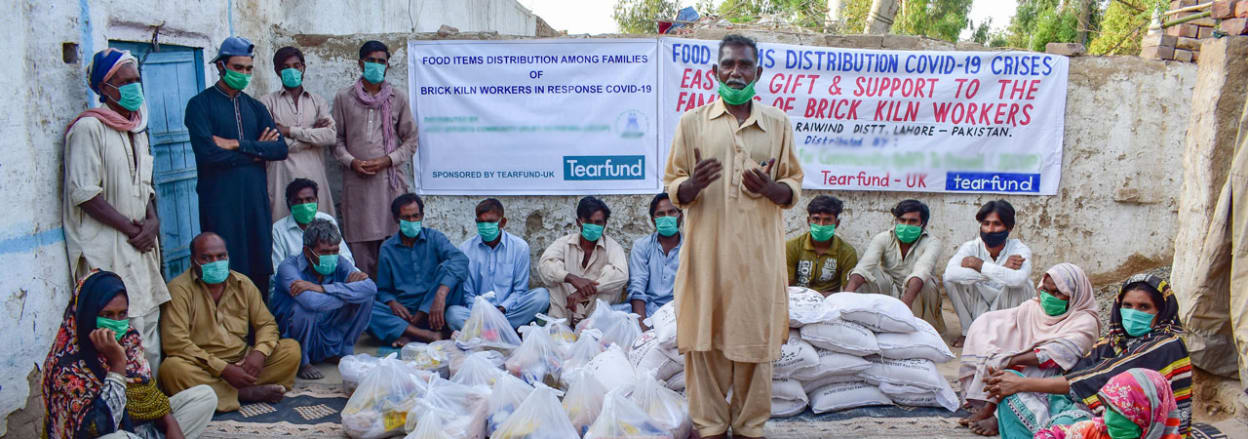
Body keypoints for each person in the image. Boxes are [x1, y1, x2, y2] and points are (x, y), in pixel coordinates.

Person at [662, 34, 804, 439]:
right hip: (706, 256)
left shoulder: (777, 124)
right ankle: (708, 427)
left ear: (758, 73)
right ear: (714, 72)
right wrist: (691, 186)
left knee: (755, 343)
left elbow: (792, 183)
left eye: (744, 66)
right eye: (728, 65)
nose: (736, 73)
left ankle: (748, 428)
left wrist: (769, 189)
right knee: (703, 342)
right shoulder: (691, 123)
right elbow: (674, 186)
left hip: (758, 259)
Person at [63, 48, 169, 372]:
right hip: (108, 248)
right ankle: (126, 413)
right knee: (123, 326)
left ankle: (151, 411)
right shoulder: (88, 129)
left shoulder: (137, 130)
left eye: (136, 80)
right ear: (105, 88)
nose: (134, 87)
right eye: (125, 81)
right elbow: (85, 194)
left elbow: (145, 186)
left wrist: (152, 222)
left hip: (140, 246)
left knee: (149, 324)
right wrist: (131, 228)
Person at [989, 274, 1192, 438]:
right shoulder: (1113, 343)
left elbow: (1095, 379)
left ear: (1161, 311)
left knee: (1063, 422)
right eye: (1127, 306)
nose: (1133, 313)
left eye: (1143, 307)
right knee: (1011, 390)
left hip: (1126, 426)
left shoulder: (1166, 344)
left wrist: (1022, 384)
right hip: (1086, 410)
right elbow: (1077, 372)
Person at [42, 271, 216, 439]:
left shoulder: (129, 339)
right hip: (108, 434)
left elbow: (148, 391)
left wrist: (171, 424)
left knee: (204, 396)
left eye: (122, 314)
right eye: (107, 315)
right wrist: (117, 364)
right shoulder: (65, 365)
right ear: (88, 314)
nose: (117, 323)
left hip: (138, 430)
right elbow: (101, 427)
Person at [185, 36, 288, 297]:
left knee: (259, 266)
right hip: (219, 201)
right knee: (221, 266)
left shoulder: (254, 107)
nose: (243, 74)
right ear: (221, 66)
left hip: (255, 202)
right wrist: (256, 151)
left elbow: (279, 149)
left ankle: (259, 329)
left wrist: (235, 145)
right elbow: (208, 155)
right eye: (237, 68)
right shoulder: (199, 105)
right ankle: (226, 333)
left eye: (248, 69)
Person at [158, 233, 301, 412]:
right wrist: (223, 369)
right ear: (193, 260)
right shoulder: (179, 290)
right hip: (203, 366)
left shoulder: (243, 283)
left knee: (291, 350)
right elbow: (175, 342)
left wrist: (259, 353)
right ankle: (243, 394)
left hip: (243, 363)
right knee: (171, 369)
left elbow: (266, 324)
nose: (215, 262)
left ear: (228, 256)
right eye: (206, 258)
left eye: (220, 256)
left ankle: (223, 392)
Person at [956, 263, 1101, 436]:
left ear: (1074, 295)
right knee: (991, 335)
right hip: (1024, 363)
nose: (1048, 297)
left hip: (1059, 376)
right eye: (1045, 290)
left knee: (1032, 366)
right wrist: (997, 352)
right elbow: (1004, 324)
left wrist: (1011, 360)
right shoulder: (1033, 308)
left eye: (1057, 293)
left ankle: (996, 413)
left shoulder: (1085, 321)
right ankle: (991, 405)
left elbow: (1057, 354)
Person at [332, 40, 419, 278]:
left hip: (388, 186)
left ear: (388, 66)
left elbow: (411, 139)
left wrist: (388, 160)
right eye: (371, 60)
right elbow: (336, 140)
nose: (376, 65)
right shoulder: (343, 98)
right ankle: (366, 308)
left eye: (381, 62)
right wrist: (352, 161)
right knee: (361, 253)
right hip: (357, 187)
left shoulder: (397, 98)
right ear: (360, 63)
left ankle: (390, 305)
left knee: (390, 250)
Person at [272, 219, 376, 380]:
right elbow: (311, 302)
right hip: (294, 334)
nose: (331, 256)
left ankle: (342, 351)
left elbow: (370, 288)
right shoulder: (288, 268)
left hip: (326, 329)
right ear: (307, 252)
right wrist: (347, 293)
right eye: (325, 252)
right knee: (304, 310)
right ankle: (303, 362)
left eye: (335, 251)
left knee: (365, 299)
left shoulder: (340, 262)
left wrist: (323, 288)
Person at [368, 194, 469, 346]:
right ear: (397, 219)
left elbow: (460, 260)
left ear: (422, 216)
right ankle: (425, 335)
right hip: (406, 313)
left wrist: (440, 295)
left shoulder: (435, 238)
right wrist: (391, 302)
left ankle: (409, 334)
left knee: (448, 268)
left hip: (436, 310)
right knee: (367, 308)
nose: (412, 221)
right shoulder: (387, 248)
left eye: (415, 216)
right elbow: (383, 289)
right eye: (406, 217)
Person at [845, 199, 947, 334]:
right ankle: (863, 327)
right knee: (866, 275)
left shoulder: (933, 243)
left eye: (912, 221)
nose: (906, 225)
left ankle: (923, 331)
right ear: (896, 220)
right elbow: (864, 267)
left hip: (916, 294)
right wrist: (846, 297)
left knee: (926, 282)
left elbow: (922, 270)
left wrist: (903, 307)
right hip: (890, 289)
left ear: (923, 224)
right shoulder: (882, 238)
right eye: (902, 220)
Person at [447, 198, 550, 331]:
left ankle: (487, 333)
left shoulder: (520, 247)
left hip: (508, 312)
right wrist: (484, 312)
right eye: (481, 222)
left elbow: (520, 290)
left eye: (490, 222)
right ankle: (504, 332)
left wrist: (501, 309)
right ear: (476, 222)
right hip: (479, 314)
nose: (485, 226)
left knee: (541, 296)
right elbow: (468, 294)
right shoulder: (465, 249)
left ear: (502, 222)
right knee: (452, 313)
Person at [260, 46, 337, 222]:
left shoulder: (317, 101)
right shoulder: (267, 102)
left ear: (303, 68)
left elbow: (330, 136)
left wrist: (289, 131)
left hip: (314, 173)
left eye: (296, 65)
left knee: (319, 227)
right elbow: (271, 142)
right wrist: (311, 138)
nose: (292, 70)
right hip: (281, 176)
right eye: (286, 67)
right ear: (277, 71)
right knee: (282, 226)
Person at [943, 200, 1034, 347]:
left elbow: (1019, 279)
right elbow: (950, 274)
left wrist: (979, 265)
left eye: (996, 224)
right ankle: (969, 332)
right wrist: (997, 270)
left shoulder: (1019, 249)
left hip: (1006, 305)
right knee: (950, 281)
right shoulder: (971, 247)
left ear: (1009, 228)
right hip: (980, 304)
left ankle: (1007, 335)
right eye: (986, 223)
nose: (990, 229)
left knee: (1022, 286)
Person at [537, 196, 629, 323]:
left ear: (605, 224)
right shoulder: (564, 244)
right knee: (555, 271)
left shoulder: (613, 247)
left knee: (611, 275)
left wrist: (585, 292)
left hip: (596, 318)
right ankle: (560, 327)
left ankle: (591, 325)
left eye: (598, 222)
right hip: (564, 312)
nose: (593, 226)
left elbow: (622, 275)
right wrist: (571, 278)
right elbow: (544, 265)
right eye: (588, 221)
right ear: (578, 222)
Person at [1033, 368, 1184, 439]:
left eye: (1123, 412)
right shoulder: (1097, 432)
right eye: (1108, 407)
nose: (1110, 419)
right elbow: (1050, 434)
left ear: (1151, 414)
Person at [271, 178, 354, 275]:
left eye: (309, 199)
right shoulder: (278, 230)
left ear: (317, 200)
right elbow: (277, 269)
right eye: (298, 201)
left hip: (332, 279)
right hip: (296, 283)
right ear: (289, 203)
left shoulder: (327, 220)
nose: (305, 205)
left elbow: (345, 257)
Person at [627, 193, 683, 328]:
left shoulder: (691, 247)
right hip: (648, 309)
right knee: (611, 317)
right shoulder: (642, 246)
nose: (667, 217)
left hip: (680, 311)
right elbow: (637, 286)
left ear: (680, 216)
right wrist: (642, 323)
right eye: (661, 214)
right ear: (653, 220)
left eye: (672, 212)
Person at [785, 195, 858, 296]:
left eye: (827, 220)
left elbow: (848, 294)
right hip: (798, 300)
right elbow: (786, 288)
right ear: (808, 221)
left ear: (837, 223)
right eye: (816, 219)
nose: (821, 225)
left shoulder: (847, 252)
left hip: (829, 304)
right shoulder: (792, 247)